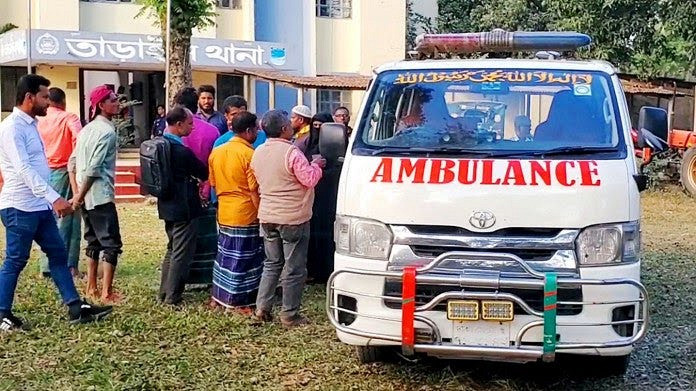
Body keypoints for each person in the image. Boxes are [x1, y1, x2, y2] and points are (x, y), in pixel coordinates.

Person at [0, 74, 112, 331]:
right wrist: (55, 198)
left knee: (58, 255)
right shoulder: (12, 128)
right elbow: (23, 170)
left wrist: (49, 200)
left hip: (38, 206)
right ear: (29, 98)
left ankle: (76, 307)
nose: (48, 102)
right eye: (44, 96)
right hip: (19, 206)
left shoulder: (30, 124)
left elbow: (39, 168)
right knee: (16, 260)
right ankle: (2, 313)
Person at [250, 110, 325, 327]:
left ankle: (262, 309)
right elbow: (309, 179)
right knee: (294, 268)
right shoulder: (291, 153)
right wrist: (317, 166)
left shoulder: (258, 152)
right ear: (284, 129)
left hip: (267, 216)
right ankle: (289, 314)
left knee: (272, 264)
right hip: (292, 217)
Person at [71, 85, 123, 304]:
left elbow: (71, 163)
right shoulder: (107, 132)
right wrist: (80, 194)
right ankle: (106, 292)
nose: (117, 102)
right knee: (111, 244)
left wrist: (76, 194)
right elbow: (94, 168)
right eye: (112, 99)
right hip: (100, 195)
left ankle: (91, 286)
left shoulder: (86, 129)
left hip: (85, 196)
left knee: (92, 240)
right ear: (101, 105)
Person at [208, 112, 264, 311]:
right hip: (245, 213)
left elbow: (213, 183)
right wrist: (261, 214)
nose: (258, 132)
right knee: (244, 259)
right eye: (256, 129)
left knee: (224, 256)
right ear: (248, 131)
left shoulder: (217, 152)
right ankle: (238, 301)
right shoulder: (250, 155)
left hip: (224, 211)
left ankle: (218, 296)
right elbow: (254, 190)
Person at [156, 107, 209, 306]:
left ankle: (163, 292)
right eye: (189, 124)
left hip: (166, 205)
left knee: (172, 249)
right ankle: (173, 296)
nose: (192, 127)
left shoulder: (157, 144)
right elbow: (202, 171)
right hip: (184, 207)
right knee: (181, 252)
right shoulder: (180, 151)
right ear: (178, 125)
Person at [36, 87, 83, 278]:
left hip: (43, 173)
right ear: (62, 102)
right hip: (64, 172)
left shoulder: (38, 120)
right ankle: (69, 265)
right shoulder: (69, 118)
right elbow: (80, 138)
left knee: (47, 219)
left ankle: (46, 266)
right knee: (69, 220)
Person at [302, 112, 346, 283]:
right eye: (315, 125)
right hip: (313, 195)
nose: (318, 129)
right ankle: (313, 270)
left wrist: (325, 170)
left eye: (322, 125)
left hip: (331, 195)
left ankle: (327, 271)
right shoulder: (307, 144)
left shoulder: (339, 145)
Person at [175, 87, 218, 202]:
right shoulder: (212, 131)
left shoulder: (171, 131)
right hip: (205, 188)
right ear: (197, 103)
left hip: (177, 191)